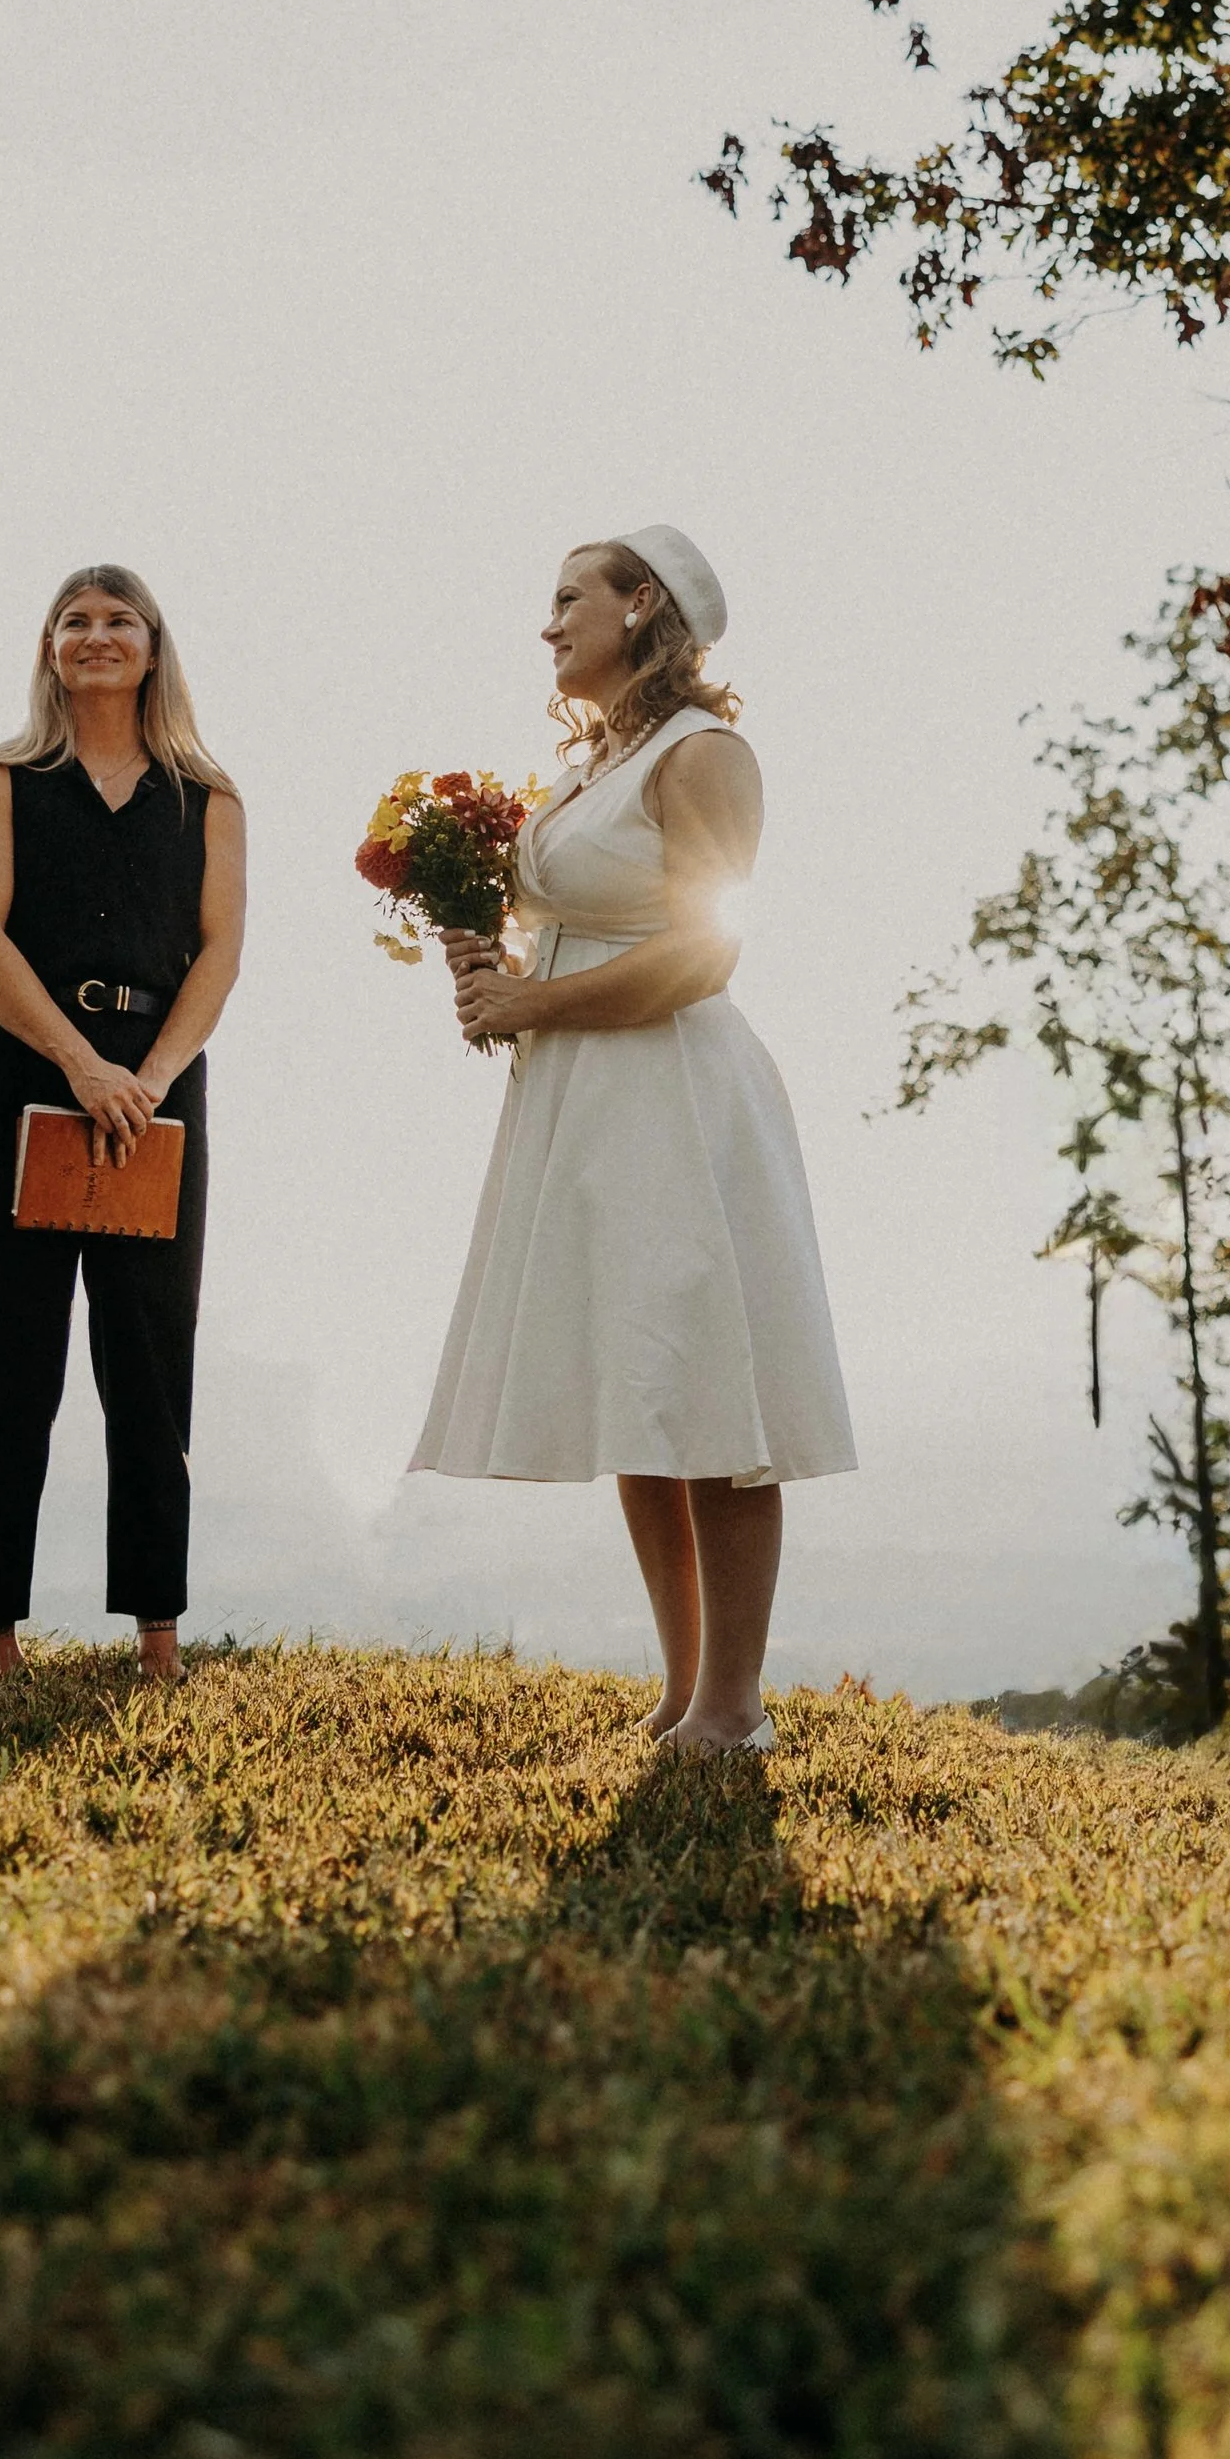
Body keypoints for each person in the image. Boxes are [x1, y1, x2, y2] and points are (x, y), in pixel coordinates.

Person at [414, 523, 855, 1751]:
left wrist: (537, 1001)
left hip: (676, 1094)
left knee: (712, 1391)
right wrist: (487, 966)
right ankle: (680, 1685)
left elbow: (707, 950)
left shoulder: (703, 752)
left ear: (641, 604)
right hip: (586, 1102)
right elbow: (577, 927)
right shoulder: (594, 764)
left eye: (568, 598)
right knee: (644, 1391)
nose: (547, 622)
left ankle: (736, 1701)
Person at [0, 566, 246, 1685]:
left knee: (151, 1358)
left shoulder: (207, 797)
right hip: (20, 1075)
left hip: (155, 1096)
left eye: (118, 620)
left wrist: (147, 1078)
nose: (95, 635)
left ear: (154, 649)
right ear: (48, 649)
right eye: (74, 620)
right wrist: (81, 1065)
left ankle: (157, 1632)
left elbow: (218, 954)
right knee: (6, 1356)